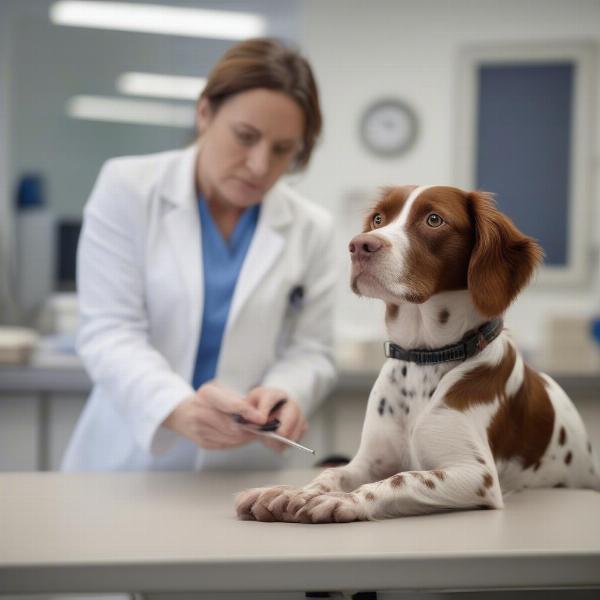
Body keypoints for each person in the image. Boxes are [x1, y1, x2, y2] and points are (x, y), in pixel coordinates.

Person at [61, 38, 337, 471]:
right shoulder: (128, 188)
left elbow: (311, 350)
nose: (260, 166)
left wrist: (287, 391)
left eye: (283, 149)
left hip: (241, 466)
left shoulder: (312, 228)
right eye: (246, 137)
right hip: (130, 460)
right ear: (205, 113)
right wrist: (174, 406)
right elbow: (109, 331)